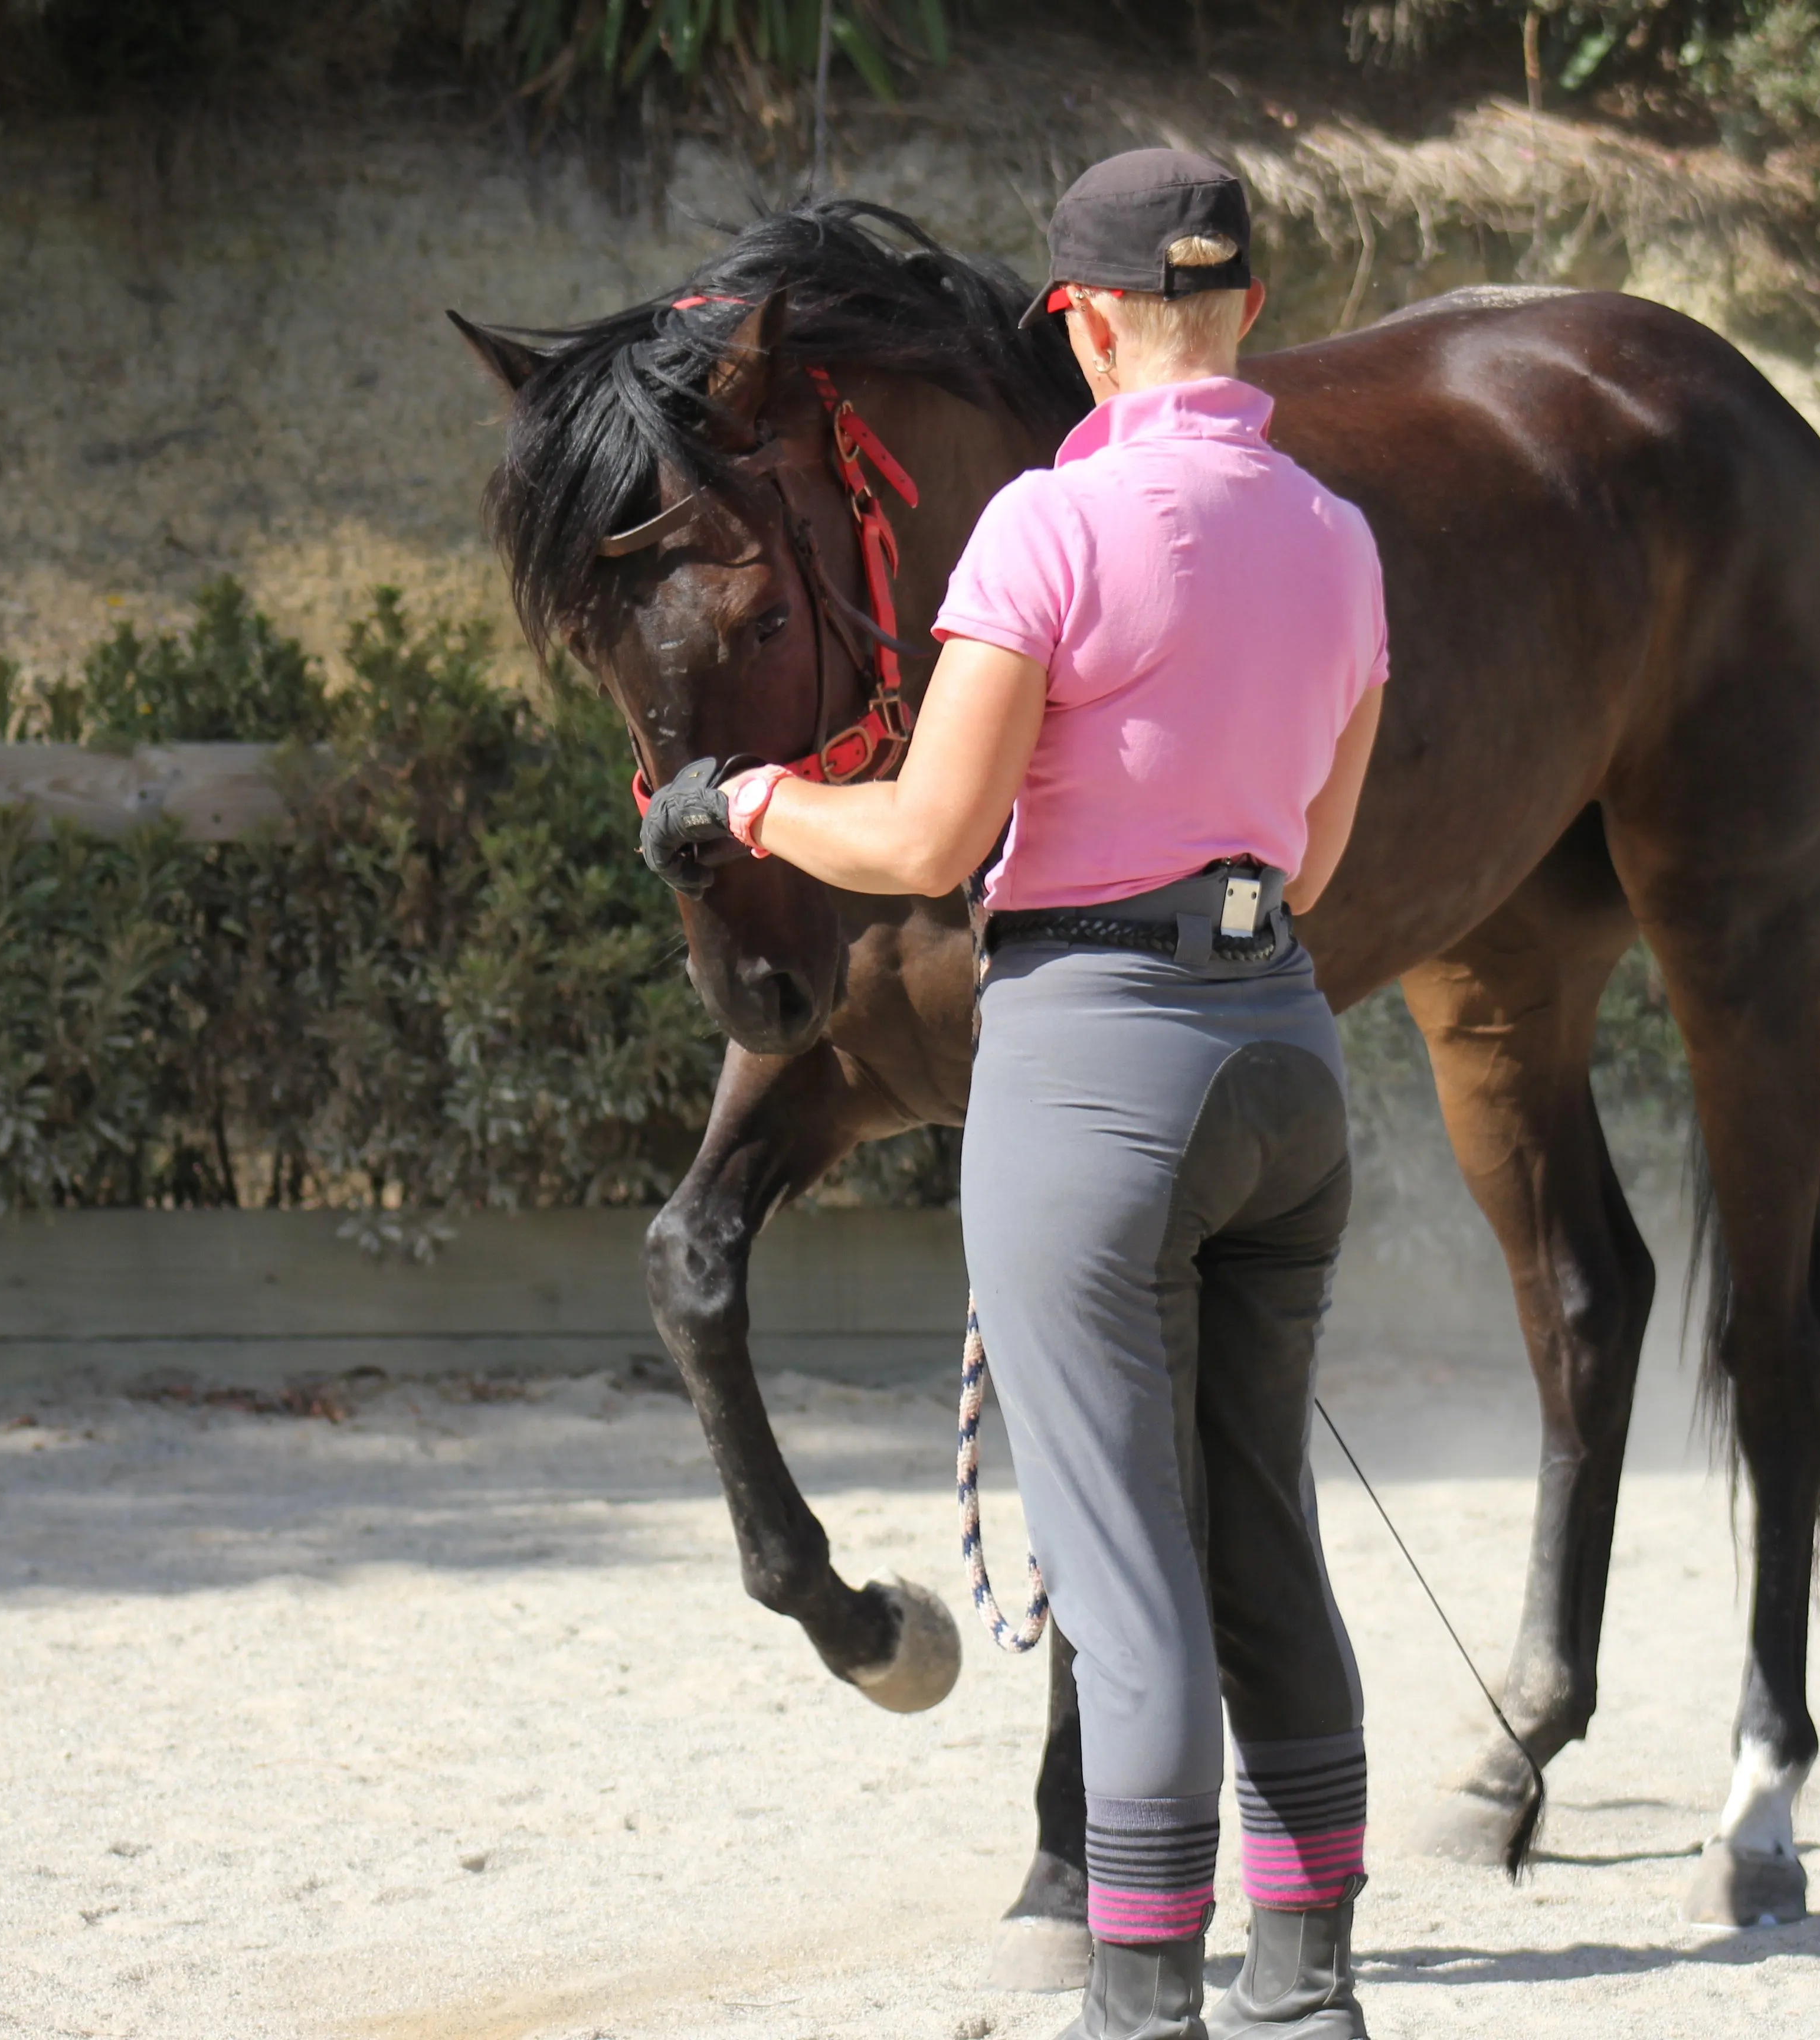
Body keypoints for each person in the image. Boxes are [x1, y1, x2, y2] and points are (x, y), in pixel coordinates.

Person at [643, 149, 1387, 2040]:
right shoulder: (1337, 533)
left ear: (1073, 319)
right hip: (1283, 1058)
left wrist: (741, 804)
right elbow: (1309, 858)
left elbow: (924, 836)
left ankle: (1142, 2003)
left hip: (1099, 1073)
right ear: (1250, 311)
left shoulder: (1044, 534)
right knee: (1266, 1538)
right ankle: (1310, 1998)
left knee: (1127, 1576)